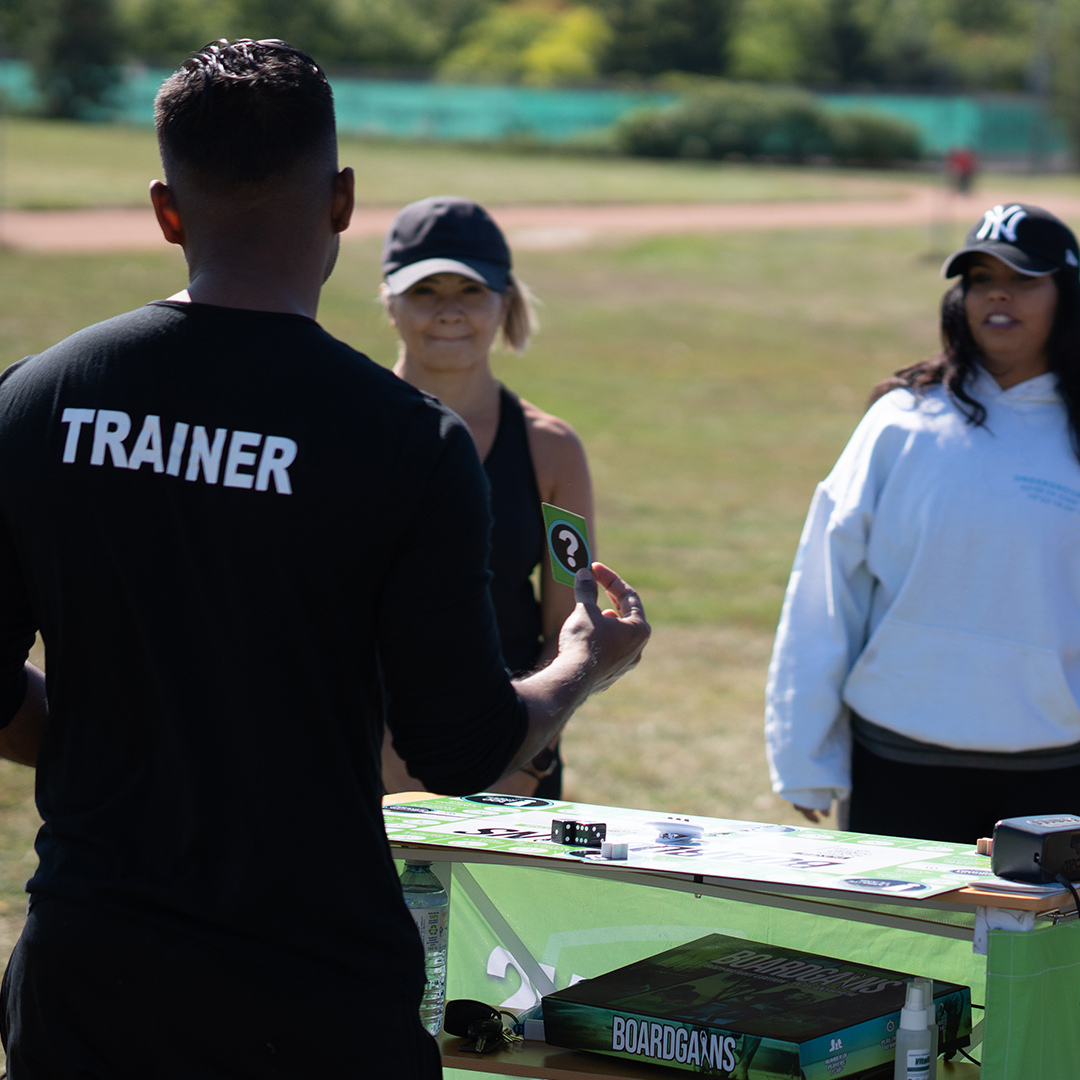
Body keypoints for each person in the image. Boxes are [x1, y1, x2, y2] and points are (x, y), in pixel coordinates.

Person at [0, 39, 649, 1079]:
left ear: (168, 210)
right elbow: (461, 747)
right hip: (311, 989)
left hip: (91, 969)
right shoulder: (405, 443)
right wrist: (585, 663)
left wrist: (100, 747)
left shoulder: (38, 400)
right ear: (342, 201)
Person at [765, 202, 1080, 844]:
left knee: (1043, 947)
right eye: (979, 277)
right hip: (898, 758)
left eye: (1024, 279)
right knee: (899, 947)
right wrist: (803, 753)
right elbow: (828, 587)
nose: (998, 292)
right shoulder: (901, 421)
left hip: (1056, 768)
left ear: (1067, 293)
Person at [378, 196, 592, 800]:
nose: (449, 312)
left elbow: (570, 620)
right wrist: (379, 757)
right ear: (390, 302)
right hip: (362, 770)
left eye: (470, 291)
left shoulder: (552, 451)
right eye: (426, 291)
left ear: (505, 301)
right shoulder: (346, 432)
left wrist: (527, 750)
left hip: (513, 761)